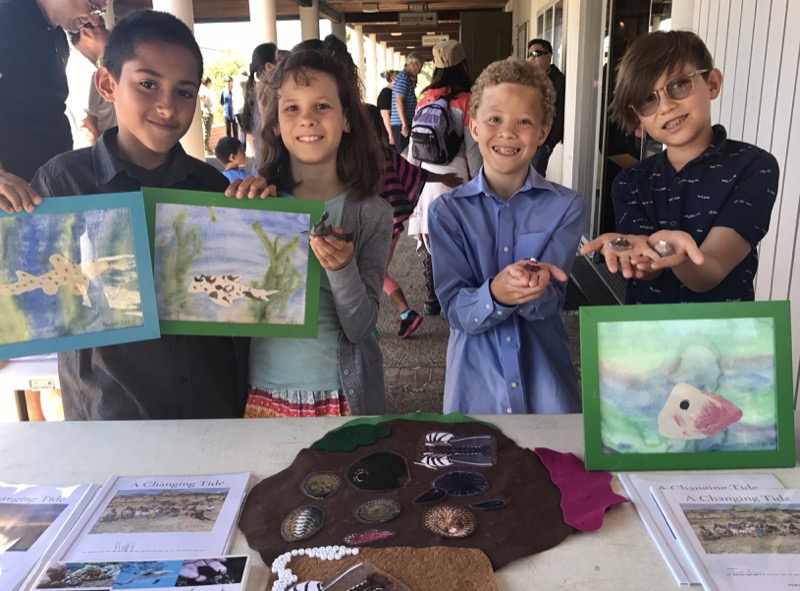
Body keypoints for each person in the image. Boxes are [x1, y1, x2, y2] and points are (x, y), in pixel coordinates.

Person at [29, 10, 250, 420]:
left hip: (214, 415)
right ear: (108, 83)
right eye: (147, 84)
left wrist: (265, 219)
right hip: (110, 419)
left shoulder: (214, 191)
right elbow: (29, 297)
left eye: (184, 92)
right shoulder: (60, 186)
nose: (167, 106)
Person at [428, 58, 585, 415]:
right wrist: (495, 293)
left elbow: (551, 304)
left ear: (544, 132)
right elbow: (455, 311)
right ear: (474, 126)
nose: (508, 132)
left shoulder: (566, 206)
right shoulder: (447, 212)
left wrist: (536, 289)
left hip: (547, 390)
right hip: (475, 392)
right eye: (494, 119)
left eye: (524, 121)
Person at [243, 46, 392, 418]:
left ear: (346, 119)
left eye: (321, 106)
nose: (307, 119)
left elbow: (361, 327)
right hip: (262, 395)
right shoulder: (257, 207)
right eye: (292, 108)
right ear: (275, 123)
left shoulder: (372, 214)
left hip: (344, 398)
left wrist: (343, 269)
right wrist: (234, 214)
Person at [580, 31, 779, 304]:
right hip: (647, 334)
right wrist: (639, 254)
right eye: (647, 100)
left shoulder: (753, 166)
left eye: (679, 85)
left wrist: (672, 251)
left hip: (725, 335)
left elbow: (710, 270)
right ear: (638, 116)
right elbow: (645, 269)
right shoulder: (630, 181)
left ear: (712, 83)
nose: (666, 106)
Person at [0, 0, 108, 212]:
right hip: (12, 199)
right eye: (92, 5)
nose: (94, 19)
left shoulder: (56, 34)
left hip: (42, 190)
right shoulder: (9, 18)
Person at [366, 104, 460, 338]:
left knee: (369, 274)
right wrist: (444, 177)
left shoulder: (355, 159)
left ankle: (380, 322)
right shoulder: (387, 155)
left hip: (369, 229)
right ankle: (404, 314)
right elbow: (415, 173)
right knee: (377, 273)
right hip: (390, 227)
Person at [406, 39, 482, 316]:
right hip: (457, 178)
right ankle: (454, 294)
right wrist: (479, 183)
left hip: (427, 179)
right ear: (463, 65)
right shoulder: (468, 100)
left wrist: (412, 181)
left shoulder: (425, 98)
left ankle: (431, 296)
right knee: (457, 239)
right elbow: (474, 150)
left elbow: (414, 146)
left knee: (427, 236)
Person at [66, 20, 116, 149]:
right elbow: (87, 128)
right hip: (99, 154)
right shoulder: (83, 71)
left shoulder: (83, 67)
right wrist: (98, 165)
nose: (108, 31)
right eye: (102, 26)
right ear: (86, 32)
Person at [526, 38, 565, 177]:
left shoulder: (559, 81)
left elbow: (560, 114)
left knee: (535, 178)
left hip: (543, 141)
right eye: (530, 54)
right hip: (524, 135)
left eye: (537, 54)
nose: (532, 58)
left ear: (549, 57)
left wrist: (549, 143)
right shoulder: (527, 78)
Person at [241, 43, 279, 171]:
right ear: (269, 66)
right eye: (281, 61)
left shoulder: (255, 93)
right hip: (271, 167)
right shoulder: (269, 95)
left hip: (260, 164)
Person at [390, 53, 424, 154]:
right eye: (420, 68)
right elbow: (399, 101)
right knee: (404, 154)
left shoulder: (403, 78)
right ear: (414, 65)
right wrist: (404, 124)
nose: (420, 71)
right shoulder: (403, 79)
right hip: (401, 124)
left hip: (402, 123)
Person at [377, 70, 397, 147]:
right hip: (386, 132)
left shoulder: (392, 93)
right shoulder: (386, 93)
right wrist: (390, 134)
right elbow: (385, 115)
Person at [199, 77, 215, 154]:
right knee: (206, 131)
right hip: (207, 112)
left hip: (210, 111)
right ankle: (206, 148)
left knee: (208, 131)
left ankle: (206, 147)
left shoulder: (208, 90)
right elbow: (201, 96)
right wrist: (205, 102)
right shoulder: (204, 90)